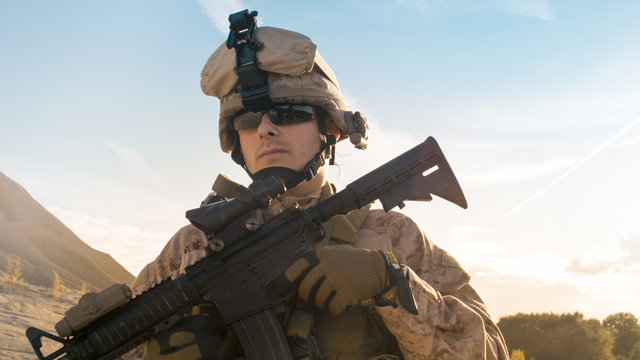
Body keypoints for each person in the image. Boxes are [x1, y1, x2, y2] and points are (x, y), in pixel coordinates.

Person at [130, 14, 509, 360]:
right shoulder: (190, 249)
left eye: (288, 114)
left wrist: (391, 284)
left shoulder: (390, 236)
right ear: (237, 141)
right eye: (248, 120)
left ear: (331, 129)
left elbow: (491, 352)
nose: (265, 129)